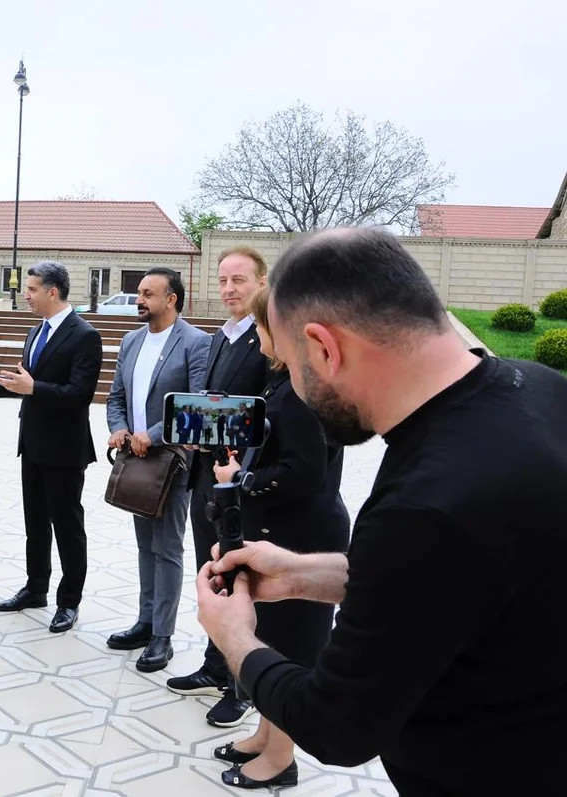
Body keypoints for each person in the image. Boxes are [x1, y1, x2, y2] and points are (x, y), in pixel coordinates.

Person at [197, 227, 567, 795]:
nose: (296, 386)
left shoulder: (426, 505)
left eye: (291, 365)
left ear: (324, 348)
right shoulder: (540, 387)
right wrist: (302, 574)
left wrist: (236, 638)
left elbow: (336, 726)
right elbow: (459, 577)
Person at [204, 287, 349, 790]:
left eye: (261, 326)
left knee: (291, 651)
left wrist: (242, 480)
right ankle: (266, 735)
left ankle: (281, 756)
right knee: (271, 640)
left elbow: (304, 472)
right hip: (281, 530)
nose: (256, 335)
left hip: (302, 538)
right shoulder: (285, 380)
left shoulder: (305, 391)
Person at [0, 261, 102, 633]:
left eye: (32, 289)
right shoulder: (35, 331)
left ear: (52, 292)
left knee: (68, 528)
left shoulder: (84, 335)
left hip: (65, 450)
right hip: (33, 444)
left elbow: (80, 395)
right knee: (35, 524)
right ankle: (36, 588)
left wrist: (35, 388)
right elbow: (27, 384)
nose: (26, 295)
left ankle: (68, 602)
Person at [167, 245, 269, 729]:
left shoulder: (266, 340)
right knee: (213, 573)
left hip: (238, 480)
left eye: (239, 280)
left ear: (262, 283)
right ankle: (214, 666)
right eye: (223, 280)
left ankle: (242, 685)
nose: (228, 289)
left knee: (240, 582)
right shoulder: (221, 337)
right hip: (207, 476)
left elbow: (262, 412)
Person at [104, 268, 209, 670]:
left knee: (167, 549)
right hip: (137, 461)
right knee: (145, 545)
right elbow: (116, 396)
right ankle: (145, 622)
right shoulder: (131, 340)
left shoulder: (195, 342)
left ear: (171, 299)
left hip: (172, 462)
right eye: (139, 293)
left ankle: (163, 637)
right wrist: (119, 428)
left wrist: (150, 434)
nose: (139, 300)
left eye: (148, 293)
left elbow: (195, 404)